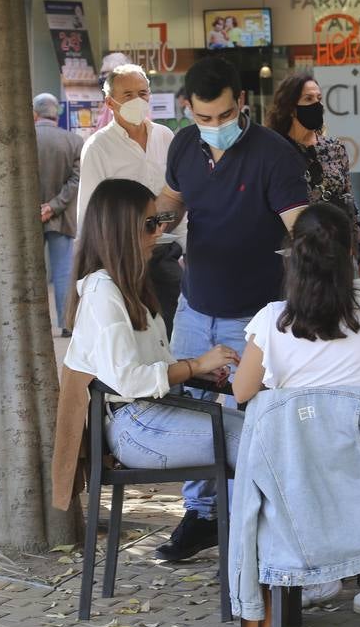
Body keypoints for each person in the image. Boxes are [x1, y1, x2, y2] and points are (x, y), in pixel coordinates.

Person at [232, 204, 360, 616]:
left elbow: (241, 390)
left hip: (309, 487)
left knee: (347, 458)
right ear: (349, 253)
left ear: (292, 255)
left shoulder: (272, 321)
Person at [154, 56, 309, 562]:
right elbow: (173, 199)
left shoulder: (275, 155)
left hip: (257, 314)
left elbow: (300, 227)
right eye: (204, 118)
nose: (215, 127)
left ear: (242, 104)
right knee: (194, 413)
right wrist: (152, 223)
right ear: (188, 109)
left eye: (223, 116)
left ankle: (262, 517)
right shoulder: (182, 145)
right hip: (196, 305)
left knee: (254, 415)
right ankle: (202, 516)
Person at [62, 179, 242, 473]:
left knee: (262, 432)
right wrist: (195, 366)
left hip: (153, 413)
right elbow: (129, 381)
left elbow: (150, 366)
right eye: (150, 223)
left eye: (159, 221)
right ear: (119, 229)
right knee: (253, 439)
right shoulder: (103, 292)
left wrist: (198, 371)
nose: (160, 231)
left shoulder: (127, 285)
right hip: (134, 425)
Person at [77, 64, 183, 335]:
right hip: (122, 258)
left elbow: (177, 193)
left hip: (165, 253)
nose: (137, 100)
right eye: (127, 95)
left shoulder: (165, 136)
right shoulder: (98, 147)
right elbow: (88, 212)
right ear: (109, 102)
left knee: (171, 331)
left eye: (143, 93)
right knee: (134, 335)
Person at [266, 73, 360, 276]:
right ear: (290, 107)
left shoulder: (334, 148)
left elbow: (349, 204)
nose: (316, 104)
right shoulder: (277, 151)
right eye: (308, 99)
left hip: (339, 254)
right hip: (298, 260)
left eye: (319, 98)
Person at [34, 92, 83, 336]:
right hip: (60, 216)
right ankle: (66, 324)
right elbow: (76, 180)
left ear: (35, 113)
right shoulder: (74, 141)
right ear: (56, 113)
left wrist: (37, 207)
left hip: (28, 217)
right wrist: (53, 206)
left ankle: (34, 323)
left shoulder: (24, 139)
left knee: (31, 270)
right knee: (63, 270)